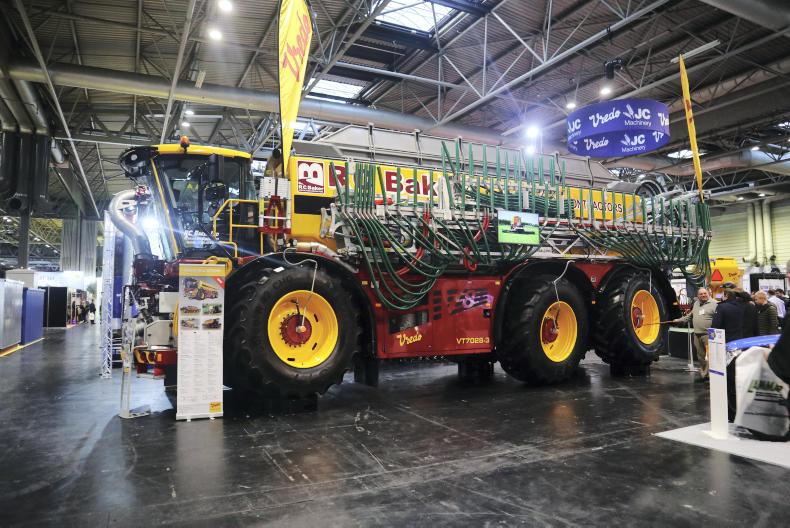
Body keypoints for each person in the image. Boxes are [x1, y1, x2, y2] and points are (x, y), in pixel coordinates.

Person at [672, 287, 718, 381]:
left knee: (710, 357)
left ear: (708, 294)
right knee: (701, 357)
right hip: (697, 335)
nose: (703, 295)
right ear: (698, 296)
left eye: (705, 293)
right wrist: (679, 320)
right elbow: (689, 316)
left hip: (709, 335)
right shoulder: (696, 303)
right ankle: (704, 375)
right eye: (701, 294)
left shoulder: (715, 304)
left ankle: (710, 376)